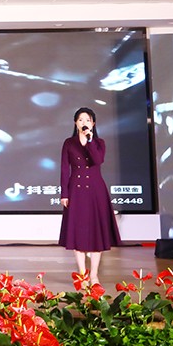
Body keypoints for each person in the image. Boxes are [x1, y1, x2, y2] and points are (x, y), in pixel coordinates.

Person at [58, 107, 121, 286]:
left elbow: (97, 160)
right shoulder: (69, 143)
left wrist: (90, 141)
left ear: (93, 123)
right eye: (80, 120)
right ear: (75, 123)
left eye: (87, 120)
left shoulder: (99, 142)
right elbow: (64, 169)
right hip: (76, 190)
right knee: (77, 233)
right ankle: (82, 274)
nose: (84, 123)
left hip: (95, 190)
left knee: (96, 234)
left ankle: (94, 275)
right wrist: (64, 193)